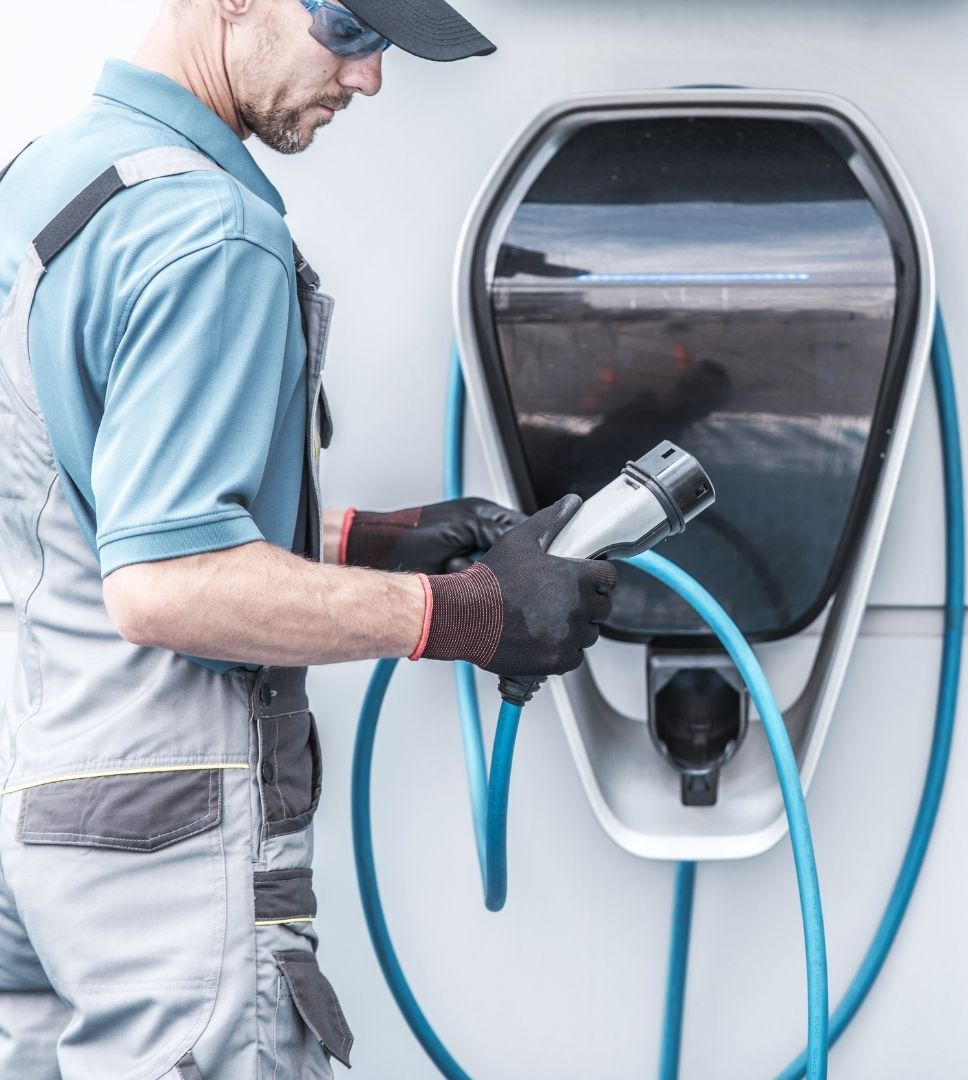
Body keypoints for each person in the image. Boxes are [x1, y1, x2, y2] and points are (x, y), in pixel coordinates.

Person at [0, 1, 617, 1076]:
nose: (367, 81)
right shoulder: (210, 230)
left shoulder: (42, 184)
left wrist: (381, 539)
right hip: (167, 827)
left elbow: (96, 512)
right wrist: (470, 615)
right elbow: (169, 585)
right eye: (348, 29)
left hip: (42, 822)